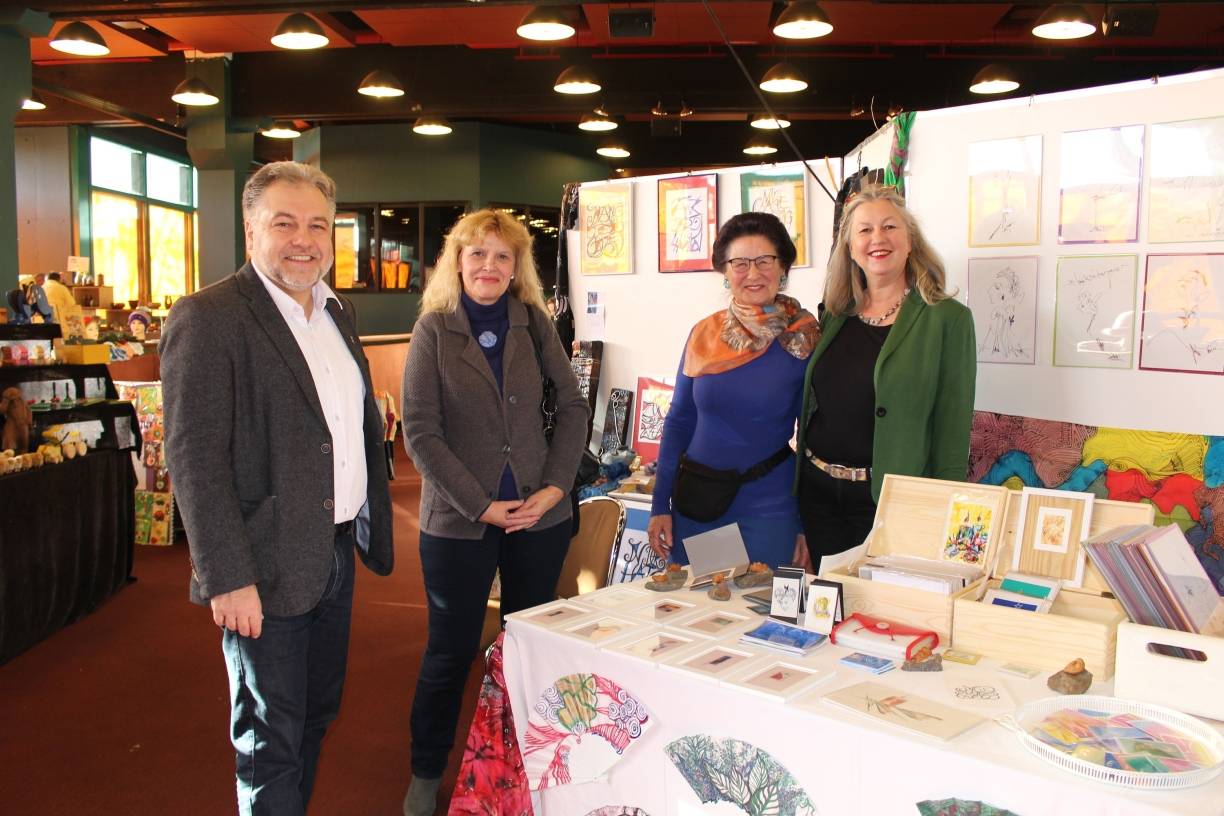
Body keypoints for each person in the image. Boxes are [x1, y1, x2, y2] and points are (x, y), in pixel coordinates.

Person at [160, 161, 394, 815]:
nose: (304, 239)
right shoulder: (209, 318)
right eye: (284, 222)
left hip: (335, 555)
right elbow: (194, 458)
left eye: (318, 224)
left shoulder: (336, 312)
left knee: (316, 717)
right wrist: (226, 576)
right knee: (270, 744)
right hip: (262, 567)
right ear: (250, 228)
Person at [400, 208, 588, 815]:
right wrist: (480, 505)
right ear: (457, 262)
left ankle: (526, 764)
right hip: (458, 522)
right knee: (451, 650)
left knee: (528, 643)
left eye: (502, 257)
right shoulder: (433, 330)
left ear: (517, 269)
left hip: (540, 516)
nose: (489, 266)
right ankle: (427, 770)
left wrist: (557, 486)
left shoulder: (535, 324)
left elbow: (575, 407)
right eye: (477, 254)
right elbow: (421, 434)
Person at [797, 185, 975, 569]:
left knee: (882, 617)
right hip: (819, 496)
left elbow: (952, 428)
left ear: (910, 241)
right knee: (829, 612)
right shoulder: (833, 316)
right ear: (849, 247)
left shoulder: (947, 320)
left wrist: (940, 509)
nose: (877, 238)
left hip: (889, 502)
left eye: (889, 227)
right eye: (864, 230)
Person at [647, 212, 820, 569]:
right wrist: (659, 504)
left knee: (760, 615)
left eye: (764, 261)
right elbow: (679, 420)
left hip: (769, 508)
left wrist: (805, 524)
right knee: (703, 613)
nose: (753, 274)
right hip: (701, 505)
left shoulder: (802, 339)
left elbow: (812, 438)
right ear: (725, 272)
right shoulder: (704, 335)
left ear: (784, 266)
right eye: (740, 263)